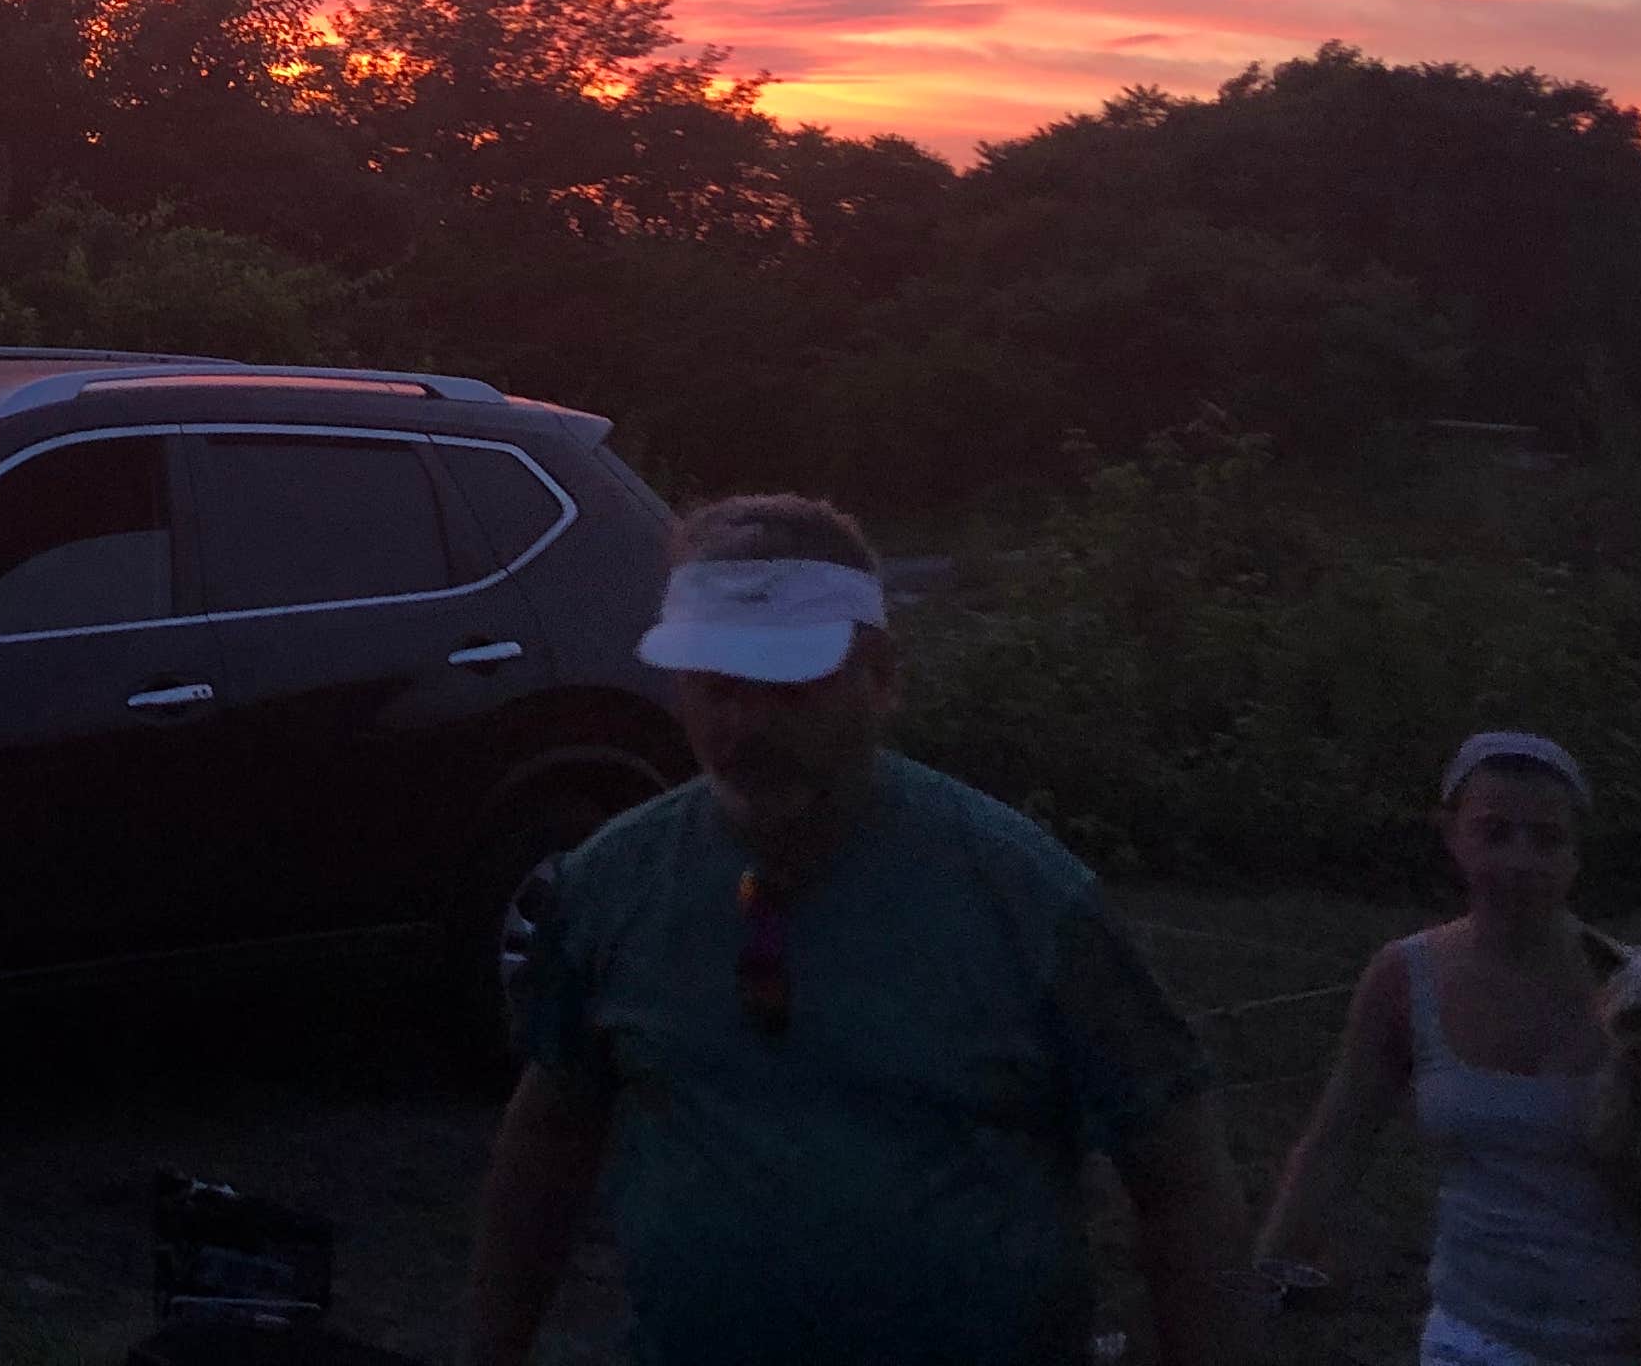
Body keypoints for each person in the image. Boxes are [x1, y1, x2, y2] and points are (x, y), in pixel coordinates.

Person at [458, 492, 1257, 1366]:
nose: (745, 726)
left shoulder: (1023, 896)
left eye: (789, 687)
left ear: (882, 678)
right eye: (715, 686)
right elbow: (550, 1135)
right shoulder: (613, 884)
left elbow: (1180, 1179)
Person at [1254, 733, 1641, 1366]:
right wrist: (1257, 1284)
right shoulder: (1404, 976)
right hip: (1473, 1338)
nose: (1520, 861)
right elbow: (1334, 1143)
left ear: (1577, 855)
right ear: (1451, 834)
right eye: (1494, 831)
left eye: (1546, 839)